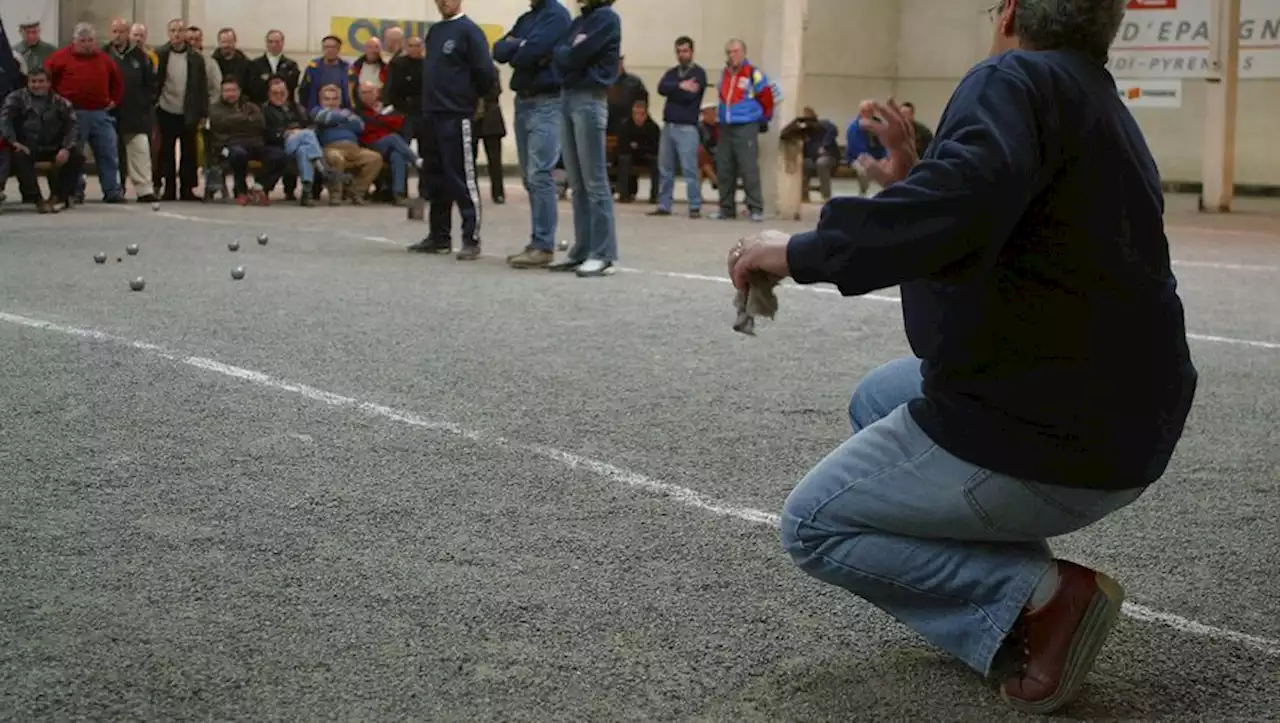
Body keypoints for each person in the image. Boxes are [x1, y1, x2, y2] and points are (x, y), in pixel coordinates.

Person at [727, 0, 1198, 714]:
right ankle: (1016, 583)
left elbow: (962, 207)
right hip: (1129, 426)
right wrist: (912, 176)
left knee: (814, 525)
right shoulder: (1100, 106)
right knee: (878, 396)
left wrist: (798, 252)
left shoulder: (1010, 77)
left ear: (1009, 11)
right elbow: (986, 227)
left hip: (1055, 436)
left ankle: (1037, 597)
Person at [408, 0, 496, 260]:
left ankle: (471, 238)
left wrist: (468, 100)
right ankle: (439, 236)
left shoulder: (470, 31)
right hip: (431, 115)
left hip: (456, 115)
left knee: (462, 178)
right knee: (434, 178)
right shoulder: (435, 32)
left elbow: (485, 73)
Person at [492, 0, 572, 270]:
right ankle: (538, 241)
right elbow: (499, 50)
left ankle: (543, 245)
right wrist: (520, 46)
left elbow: (529, 52)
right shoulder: (527, 18)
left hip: (547, 102)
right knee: (529, 177)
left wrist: (519, 46)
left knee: (540, 174)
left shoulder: (558, 16)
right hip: (524, 101)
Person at [549, 0, 622, 277]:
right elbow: (561, 53)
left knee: (594, 180)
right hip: (568, 97)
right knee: (577, 182)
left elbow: (574, 56)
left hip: (589, 99)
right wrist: (569, 53)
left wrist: (569, 54)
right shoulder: (579, 21)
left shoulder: (606, 19)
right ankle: (582, 248)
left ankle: (603, 253)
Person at [45, 23, 126, 203]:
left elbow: (118, 82)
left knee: (108, 153)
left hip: (100, 114)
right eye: (82, 41)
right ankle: (75, 191)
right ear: (74, 41)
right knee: (75, 155)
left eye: (90, 40)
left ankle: (112, 190)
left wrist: (114, 101)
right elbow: (46, 79)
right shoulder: (59, 58)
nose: (87, 44)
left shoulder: (105, 59)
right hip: (72, 114)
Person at [0, 69, 83, 212]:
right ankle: (36, 198)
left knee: (76, 156)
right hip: (26, 146)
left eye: (41, 81)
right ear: (28, 83)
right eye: (33, 81)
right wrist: (13, 141)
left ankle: (59, 197)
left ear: (49, 83)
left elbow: (73, 126)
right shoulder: (15, 99)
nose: (37, 85)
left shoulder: (61, 102)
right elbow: (4, 122)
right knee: (19, 157)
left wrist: (66, 148)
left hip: (53, 146)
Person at [712, 38, 775, 222]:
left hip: (746, 126)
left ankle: (755, 207)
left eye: (736, 51)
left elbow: (766, 98)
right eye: (729, 52)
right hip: (726, 127)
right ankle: (726, 208)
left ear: (744, 53)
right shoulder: (724, 74)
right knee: (724, 168)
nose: (733, 55)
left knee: (748, 168)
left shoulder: (754, 74)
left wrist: (762, 119)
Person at [650, 35, 707, 218]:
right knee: (665, 168)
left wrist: (674, 90)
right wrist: (680, 85)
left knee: (689, 168)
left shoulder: (699, 73)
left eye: (685, 51)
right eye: (679, 51)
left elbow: (689, 97)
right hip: (669, 126)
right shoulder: (672, 73)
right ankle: (664, 204)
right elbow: (661, 88)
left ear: (692, 52)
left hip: (687, 128)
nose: (682, 55)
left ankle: (694, 206)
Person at [207, 77, 285, 205]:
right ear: (221, 92)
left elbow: (260, 123)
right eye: (227, 90)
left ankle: (259, 187)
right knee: (238, 154)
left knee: (280, 155)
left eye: (233, 90)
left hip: (255, 144)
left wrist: (236, 122)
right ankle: (240, 191)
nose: (230, 94)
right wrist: (246, 119)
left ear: (239, 91)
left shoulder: (250, 105)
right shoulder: (215, 108)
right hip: (228, 145)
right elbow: (220, 122)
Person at [262, 77, 328, 206]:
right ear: (269, 94)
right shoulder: (265, 110)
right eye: (275, 93)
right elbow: (265, 133)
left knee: (304, 151)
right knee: (307, 134)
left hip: (301, 144)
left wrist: (300, 133)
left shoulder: (297, 108)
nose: (279, 96)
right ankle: (323, 168)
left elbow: (312, 125)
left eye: (282, 93)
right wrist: (286, 133)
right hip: (280, 145)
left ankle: (306, 193)